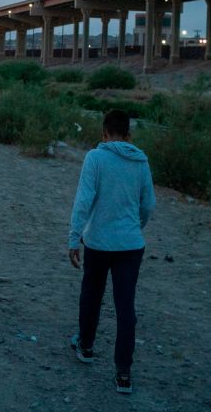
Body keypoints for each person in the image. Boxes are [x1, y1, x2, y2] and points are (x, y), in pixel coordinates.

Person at [67, 109, 157, 395]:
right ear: (129, 135)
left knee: (92, 294)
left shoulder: (95, 157)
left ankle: (86, 345)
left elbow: (84, 199)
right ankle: (123, 374)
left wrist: (74, 237)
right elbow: (148, 205)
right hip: (131, 245)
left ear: (104, 134)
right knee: (125, 307)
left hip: (98, 242)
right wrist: (134, 226)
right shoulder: (141, 162)